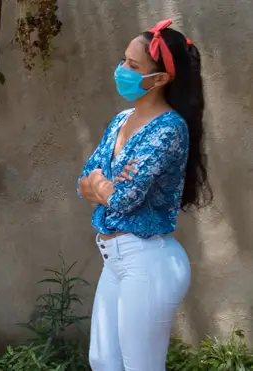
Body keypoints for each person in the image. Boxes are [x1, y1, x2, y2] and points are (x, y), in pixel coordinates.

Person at [77, 19, 211, 370]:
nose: (122, 70)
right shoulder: (121, 120)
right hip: (115, 260)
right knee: (103, 360)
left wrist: (103, 185)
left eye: (133, 66)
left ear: (161, 78)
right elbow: (83, 180)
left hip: (148, 260)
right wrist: (105, 184)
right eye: (124, 61)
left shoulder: (169, 129)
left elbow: (125, 198)